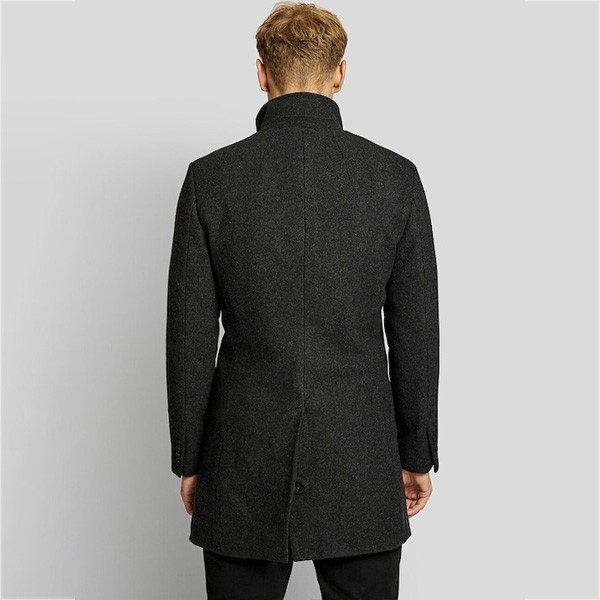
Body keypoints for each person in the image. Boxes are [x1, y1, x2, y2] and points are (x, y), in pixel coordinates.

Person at [165, 2, 440, 598]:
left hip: (241, 458)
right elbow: (416, 332)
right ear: (340, 73)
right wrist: (416, 451)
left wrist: (190, 456)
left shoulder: (211, 178)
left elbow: (189, 336)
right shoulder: (395, 177)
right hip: (362, 458)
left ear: (262, 73)